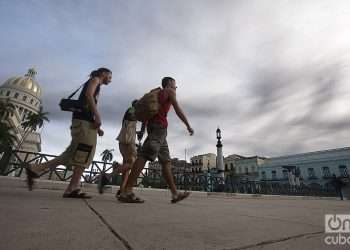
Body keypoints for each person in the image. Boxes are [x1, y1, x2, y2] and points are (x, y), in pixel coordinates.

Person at [25, 68, 112, 198]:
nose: (111, 80)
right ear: (103, 74)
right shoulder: (95, 80)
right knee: (85, 153)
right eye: (110, 76)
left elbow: (87, 104)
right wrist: (97, 116)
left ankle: (35, 168)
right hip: (84, 124)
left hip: (84, 123)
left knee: (69, 154)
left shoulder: (96, 83)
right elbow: (88, 95)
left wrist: (97, 126)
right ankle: (72, 188)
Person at [118, 77, 194, 203]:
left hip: (156, 129)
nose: (175, 88)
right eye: (175, 85)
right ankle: (127, 191)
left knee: (166, 162)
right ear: (169, 84)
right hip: (159, 128)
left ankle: (175, 194)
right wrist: (188, 125)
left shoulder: (157, 93)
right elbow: (177, 109)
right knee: (143, 156)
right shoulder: (169, 92)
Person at [98, 100, 145, 196]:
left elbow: (130, 124)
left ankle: (122, 189)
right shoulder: (132, 110)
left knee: (127, 166)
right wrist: (144, 117)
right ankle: (107, 176)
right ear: (135, 105)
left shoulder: (130, 116)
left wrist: (139, 131)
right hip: (127, 141)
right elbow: (132, 117)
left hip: (123, 141)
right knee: (133, 164)